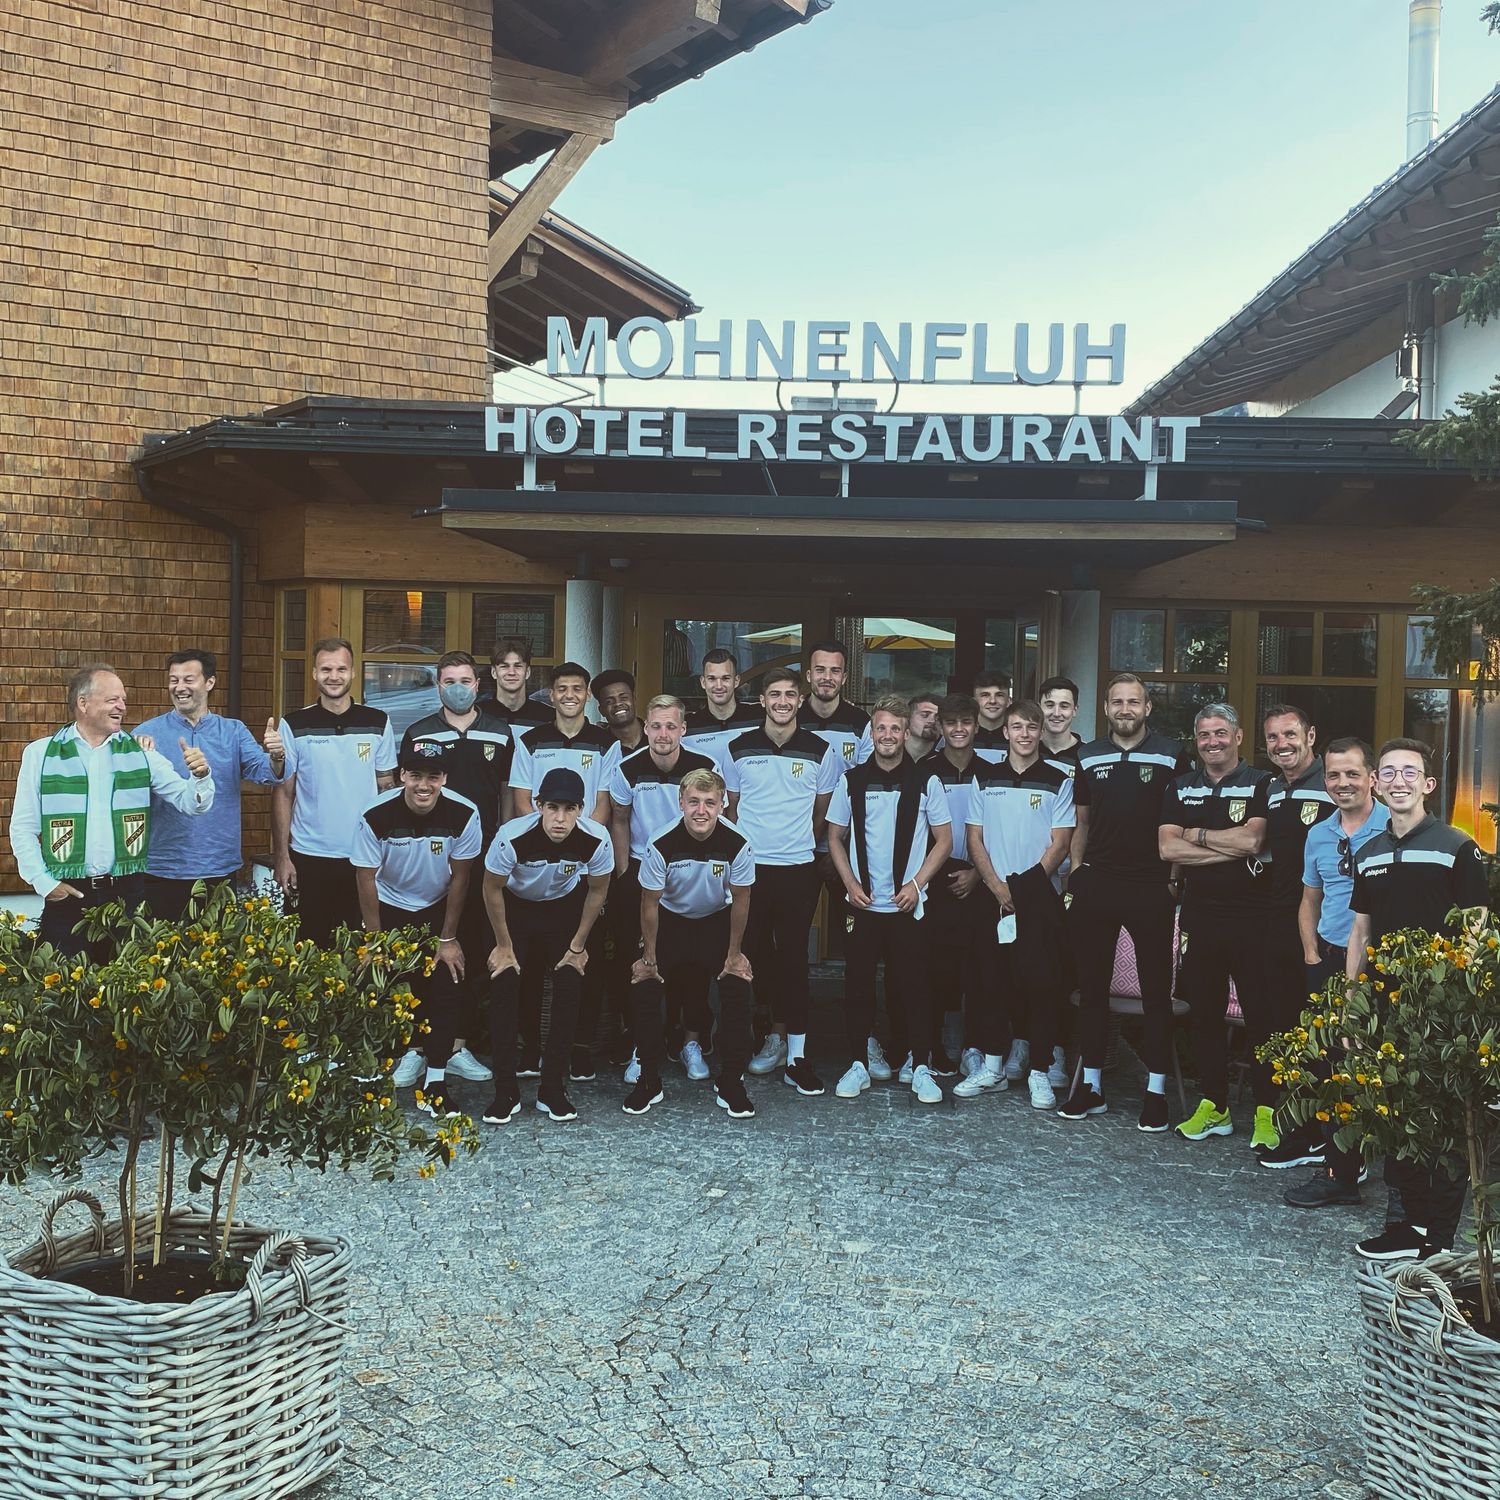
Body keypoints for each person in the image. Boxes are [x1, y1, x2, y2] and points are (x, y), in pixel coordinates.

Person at [1347, 739, 1489, 1262]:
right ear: (1376, 784)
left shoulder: (1457, 846)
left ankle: (1438, 1237)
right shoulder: (1368, 852)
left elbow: (1477, 929)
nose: (1398, 781)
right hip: (1386, 1008)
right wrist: (1352, 1004)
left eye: (1410, 772)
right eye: (1388, 772)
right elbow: (1360, 933)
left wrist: (1466, 1004)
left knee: (1446, 1119)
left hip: (1445, 1011)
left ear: (1428, 785)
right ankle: (1406, 1226)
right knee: (1396, 1112)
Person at [9, 664, 215, 959]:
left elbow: (191, 803)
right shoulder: (40, 754)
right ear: (83, 703)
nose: (122, 707)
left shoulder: (141, 754)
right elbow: (23, 827)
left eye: (123, 700)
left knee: (125, 981)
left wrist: (200, 776)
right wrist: (44, 883)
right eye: (112, 700)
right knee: (63, 982)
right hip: (68, 893)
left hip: (127, 892)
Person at [1059, 672, 1191, 1131]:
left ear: (1147, 708)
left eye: (1133, 702)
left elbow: (1180, 823)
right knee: (1093, 990)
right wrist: (1077, 872)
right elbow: (1081, 821)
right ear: (1106, 708)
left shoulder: (1173, 754)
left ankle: (1155, 1093)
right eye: (1117, 702)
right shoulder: (1088, 755)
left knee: (1156, 993)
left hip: (1151, 885)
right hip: (1098, 883)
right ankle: (1091, 1086)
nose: (1125, 709)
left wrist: (1173, 880)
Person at [723, 667, 844, 1095]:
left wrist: (795, 844)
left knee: (793, 959)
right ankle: (743, 1049)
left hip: (796, 868)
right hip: (749, 869)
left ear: (800, 700)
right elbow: (731, 809)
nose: (782, 702)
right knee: (748, 955)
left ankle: (797, 1057)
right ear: (762, 701)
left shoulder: (821, 750)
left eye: (790, 695)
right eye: (774, 695)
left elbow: (821, 812)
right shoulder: (737, 748)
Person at [397, 650, 514, 1090]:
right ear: (438, 686)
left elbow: (507, 792)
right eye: (449, 681)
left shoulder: (499, 732)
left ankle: (458, 1045)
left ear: (478, 685)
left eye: (465, 680)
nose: (458, 688)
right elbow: (407, 789)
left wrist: (503, 843)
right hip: (426, 857)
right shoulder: (419, 732)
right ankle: (415, 1046)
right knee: (421, 952)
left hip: (481, 857)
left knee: (468, 952)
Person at [1160, 703, 1275, 1149]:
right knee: (1204, 1016)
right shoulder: (1180, 786)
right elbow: (1168, 849)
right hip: (1200, 917)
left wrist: (1198, 837)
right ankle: (1215, 1106)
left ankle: (1267, 1110)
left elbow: (1255, 839)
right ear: (1196, 741)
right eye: (1205, 735)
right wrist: (1229, 850)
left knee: (1261, 1017)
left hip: (1253, 918)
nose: (1213, 742)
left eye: (1221, 733)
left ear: (1238, 736)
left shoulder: (1262, 783)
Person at [827, 696, 952, 1105]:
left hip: (907, 905)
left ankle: (920, 1066)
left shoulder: (926, 781)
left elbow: (944, 840)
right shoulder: (851, 781)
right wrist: (849, 883)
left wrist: (916, 884)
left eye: (894, 729)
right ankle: (858, 1063)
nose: (887, 735)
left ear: (905, 732)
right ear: (872, 732)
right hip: (863, 904)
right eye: (880, 728)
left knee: (915, 984)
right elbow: (834, 837)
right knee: (858, 984)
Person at [1282, 738, 1389, 1209]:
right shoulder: (1319, 834)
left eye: (1351, 773)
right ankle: (1340, 1169)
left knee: (1368, 1066)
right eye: (1333, 775)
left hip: (1377, 967)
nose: (1342, 783)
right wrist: (1310, 954)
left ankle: (1368, 1166)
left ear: (1372, 778)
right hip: (1327, 961)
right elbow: (1310, 897)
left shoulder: (1394, 829)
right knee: (1327, 1066)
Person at [351, 740, 481, 1116]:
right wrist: (375, 941)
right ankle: (377, 1071)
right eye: (416, 775)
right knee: (384, 984)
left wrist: (448, 937)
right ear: (402, 775)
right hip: (389, 904)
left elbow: (461, 877)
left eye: (433, 776)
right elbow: (365, 877)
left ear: (444, 778)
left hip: (437, 905)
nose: (424, 785)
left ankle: (435, 1080)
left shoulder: (465, 812)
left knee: (447, 984)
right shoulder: (374, 813)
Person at [957, 700, 1075, 1107]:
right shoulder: (985, 778)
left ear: (1041, 732)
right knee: (991, 982)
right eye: (1017, 727)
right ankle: (992, 1067)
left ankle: (1040, 1070)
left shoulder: (1059, 780)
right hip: (993, 898)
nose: (1024, 734)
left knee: (1042, 986)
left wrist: (1022, 890)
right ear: (1005, 732)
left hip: (1039, 899)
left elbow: (1060, 844)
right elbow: (974, 838)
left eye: (1031, 727)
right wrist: (997, 887)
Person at [508, 661, 623, 1078]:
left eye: (577, 688)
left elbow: (603, 804)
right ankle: (529, 1048)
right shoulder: (531, 740)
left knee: (581, 963)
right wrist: (546, 842)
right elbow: (523, 800)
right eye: (562, 688)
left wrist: (578, 847)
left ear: (588, 694)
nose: (569, 695)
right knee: (530, 967)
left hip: (583, 867)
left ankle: (578, 1048)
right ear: (551, 694)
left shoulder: (606, 742)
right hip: (537, 867)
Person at [482, 768, 613, 1124]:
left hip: (561, 908)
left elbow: (598, 890)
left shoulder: (596, 838)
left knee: (570, 982)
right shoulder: (512, 836)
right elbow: (491, 887)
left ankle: (552, 1089)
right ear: (538, 805)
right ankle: (505, 1091)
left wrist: (578, 946)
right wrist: (504, 945)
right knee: (504, 982)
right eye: (553, 807)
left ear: (581, 810)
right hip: (514, 909)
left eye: (569, 809)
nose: (560, 818)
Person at [628, 768, 758, 1119]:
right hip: (670, 921)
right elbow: (649, 903)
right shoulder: (660, 843)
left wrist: (734, 954)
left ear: (722, 805)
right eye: (694, 802)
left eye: (710, 803)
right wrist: (649, 958)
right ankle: (648, 1079)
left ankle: (731, 1081)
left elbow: (742, 899)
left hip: (716, 920)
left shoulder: (738, 843)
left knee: (738, 986)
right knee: (645, 986)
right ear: (681, 803)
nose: (701, 811)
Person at [608, 696, 718, 1082]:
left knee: (693, 963)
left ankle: (689, 1041)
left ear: (683, 730)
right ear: (646, 728)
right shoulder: (627, 768)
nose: (663, 734)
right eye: (656, 726)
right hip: (642, 870)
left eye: (671, 726)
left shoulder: (704, 767)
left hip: (692, 870)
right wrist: (625, 872)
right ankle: (643, 1046)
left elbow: (716, 817)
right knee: (642, 962)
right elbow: (619, 818)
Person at [134, 649, 285, 920]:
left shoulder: (233, 731)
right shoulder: (146, 734)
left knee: (216, 945)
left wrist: (276, 757)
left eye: (188, 679)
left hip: (219, 866)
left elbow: (264, 772)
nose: (179, 687)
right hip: (162, 868)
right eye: (174, 680)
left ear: (210, 682)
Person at [272, 637, 396, 946]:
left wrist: (389, 850)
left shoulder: (377, 721)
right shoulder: (294, 724)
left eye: (341, 669)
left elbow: (387, 789)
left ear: (353, 672)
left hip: (364, 856)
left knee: (359, 949)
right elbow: (284, 793)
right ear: (314, 673)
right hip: (309, 856)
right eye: (326, 669)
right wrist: (282, 857)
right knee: (305, 950)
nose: (334, 676)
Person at [1257, 703, 1338, 1166]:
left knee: (1321, 1035)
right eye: (1273, 737)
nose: (1281, 744)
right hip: (1279, 921)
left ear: (1311, 736)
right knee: (1286, 1027)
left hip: (1323, 929)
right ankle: (1300, 1130)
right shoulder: (1271, 789)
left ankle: (1330, 1138)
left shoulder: (1333, 782)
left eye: (1290, 734)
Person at [923, 694, 988, 1079]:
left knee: (978, 967)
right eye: (951, 722)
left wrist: (978, 873)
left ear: (976, 726)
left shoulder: (991, 771)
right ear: (941, 727)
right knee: (937, 966)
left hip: (981, 878)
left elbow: (999, 829)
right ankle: (934, 1044)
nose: (959, 729)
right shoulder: (925, 771)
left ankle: (973, 1045)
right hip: (935, 878)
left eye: (966, 722)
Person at [799, 641, 873, 968]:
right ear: (808, 675)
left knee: (856, 934)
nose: (827, 677)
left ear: (844, 677)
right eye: (820, 670)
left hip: (846, 846)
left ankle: (857, 1000)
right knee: (792, 934)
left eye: (834, 671)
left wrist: (838, 846)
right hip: (798, 847)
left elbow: (865, 790)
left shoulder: (861, 723)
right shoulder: (791, 718)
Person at [682, 649, 762, 770]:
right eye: (712, 678)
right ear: (703, 682)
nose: (719, 686)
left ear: (736, 681)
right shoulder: (688, 726)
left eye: (725, 678)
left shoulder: (759, 718)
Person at [482, 636, 552, 727]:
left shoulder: (548, 716)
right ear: (494, 672)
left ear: (527, 672)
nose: (512, 672)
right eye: (504, 666)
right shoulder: (478, 714)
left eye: (518, 666)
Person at [593, 669, 644, 755]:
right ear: (601, 710)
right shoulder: (598, 747)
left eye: (624, 698)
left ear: (634, 700)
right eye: (609, 701)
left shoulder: (656, 735)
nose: (618, 704)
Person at [971, 670, 1012, 763]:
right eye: (985, 695)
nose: (992, 701)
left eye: (999, 695)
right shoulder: (963, 735)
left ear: (1009, 701)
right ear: (974, 702)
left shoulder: (1018, 737)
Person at [905, 693, 942, 766]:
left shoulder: (947, 756)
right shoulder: (891, 748)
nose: (932, 721)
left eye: (938, 718)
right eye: (925, 715)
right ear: (908, 718)